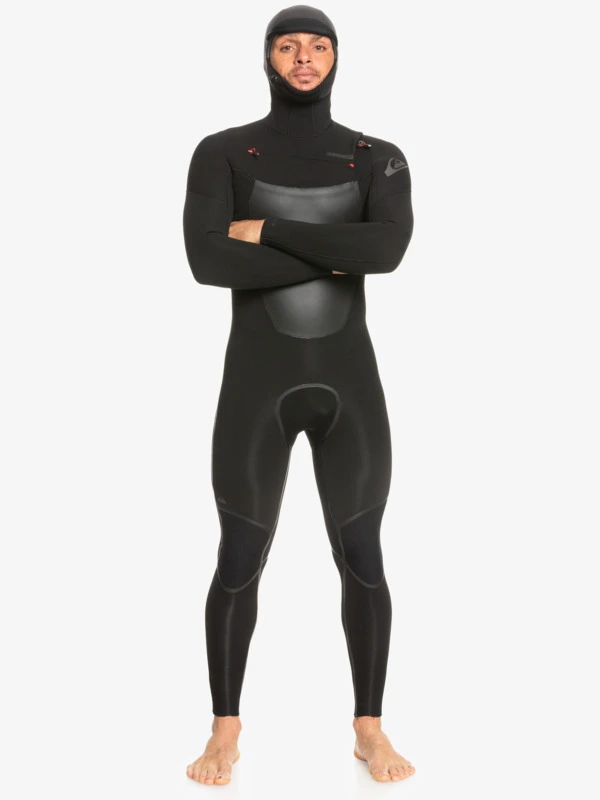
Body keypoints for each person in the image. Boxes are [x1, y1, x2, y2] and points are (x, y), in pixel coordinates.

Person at [182, 4, 415, 785]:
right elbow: (209, 263)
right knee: (239, 556)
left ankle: (369, 729)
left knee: (364, 557)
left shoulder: (377, 158)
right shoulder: (221, 152)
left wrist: (269, 230)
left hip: (352, 389)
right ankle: (224, 731)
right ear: (268, 58)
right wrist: (338, 252)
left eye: (318, 45)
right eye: (289, 45)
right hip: (257, 386)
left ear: (336, 57)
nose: (304, 57)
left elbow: (387, 251)